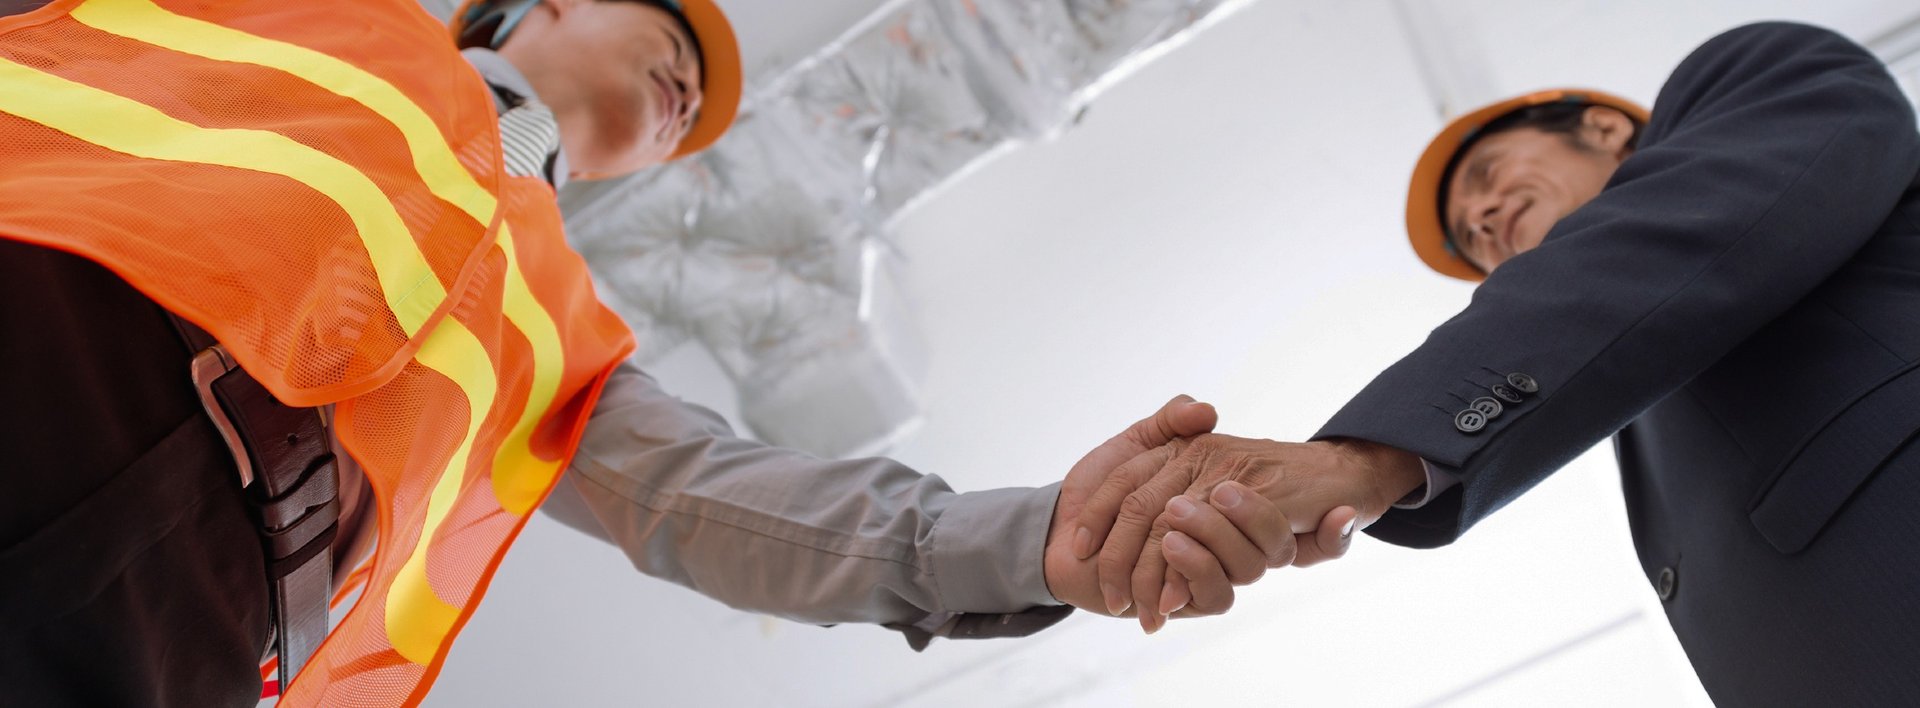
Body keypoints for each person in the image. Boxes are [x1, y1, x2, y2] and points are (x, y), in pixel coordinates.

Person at [0, 0, 1322, 705]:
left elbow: (730, 507)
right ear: (550, 2)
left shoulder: (563, 327)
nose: (689, 90)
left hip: (163, 634)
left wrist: (1033, 544)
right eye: (670, 37)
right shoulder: (298, 10)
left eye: (688, 106)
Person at [1077, 20, 1920, 705]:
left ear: (1602, 126)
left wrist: (1363, 459)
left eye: (1485, 174)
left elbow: (1663, 246)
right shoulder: (1632, 424)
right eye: (1471, 239)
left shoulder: (1757, 74)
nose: (1480, 219)